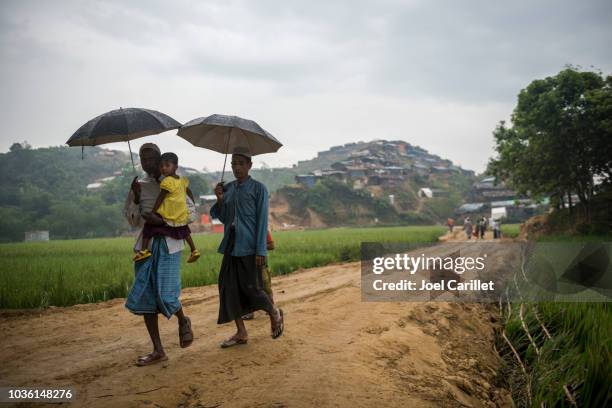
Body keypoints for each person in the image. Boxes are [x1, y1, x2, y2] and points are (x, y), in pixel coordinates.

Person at [123, 143, 194, 366]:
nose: (147, 164)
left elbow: (191, 213)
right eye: (143, 160)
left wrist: (163, 220)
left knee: (167, 294)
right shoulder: (139, 185)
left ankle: (183, 320)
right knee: (146, 296)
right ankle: (158, 350)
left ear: (160, 159)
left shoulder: (176, 182)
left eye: (152, 159)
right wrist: (135, 198)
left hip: (171, 244)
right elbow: (133, 221)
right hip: (146, 247)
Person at [210, 147, 284, 348]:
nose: (236, 167)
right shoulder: (229, 188)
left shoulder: (259, 189)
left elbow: (262, 221)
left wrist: (260, 249)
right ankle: (241, 332)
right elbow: (223, 217)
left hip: (250, 245)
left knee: (253, 287)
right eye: (234, 163)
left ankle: (274, 312)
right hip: (232, 243)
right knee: (227, 286)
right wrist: (220, 199)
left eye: (241, 163)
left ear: (250, 165)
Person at [134, 152, 200, 263]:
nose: (164, 168)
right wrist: (192, 205)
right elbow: (188, 191)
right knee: (184, 230)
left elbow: (160, 198)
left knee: (149, 226)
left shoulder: (167, 181)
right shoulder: (182, 180)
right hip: (180, 213)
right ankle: (194, 250)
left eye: (167, 165)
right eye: (161, 166)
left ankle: (144, 250)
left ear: (176, 167)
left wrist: (154, 212)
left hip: (169, 212)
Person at [242, 230, 276, 321]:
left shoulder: (263, 230)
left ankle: (271, 308)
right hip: (247, 263)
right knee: (248, 287)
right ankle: (250, 312)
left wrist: (258, 247)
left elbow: (272, 246)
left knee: (266, 287)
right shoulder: (245, 230)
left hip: (261, 264)